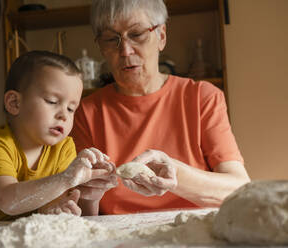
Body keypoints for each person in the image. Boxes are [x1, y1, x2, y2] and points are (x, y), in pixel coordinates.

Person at [71, 0, 251, 216]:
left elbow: (240, 188)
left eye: (137, 34)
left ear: (161, 37)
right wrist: (88, 194)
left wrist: (174, 174)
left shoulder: (201, 97)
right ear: (101, 47)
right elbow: (84, 213)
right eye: (111, 39)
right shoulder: (86, 112)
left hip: (193, 231)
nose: (126, 51)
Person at [0, 50, 115, 222]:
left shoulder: (64, 148)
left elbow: (83, 217)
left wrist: (91, 196)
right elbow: (7, 200)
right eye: (52, 101)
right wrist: (66, 179)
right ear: (14, 103)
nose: (64, 116)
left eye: (71, 109)